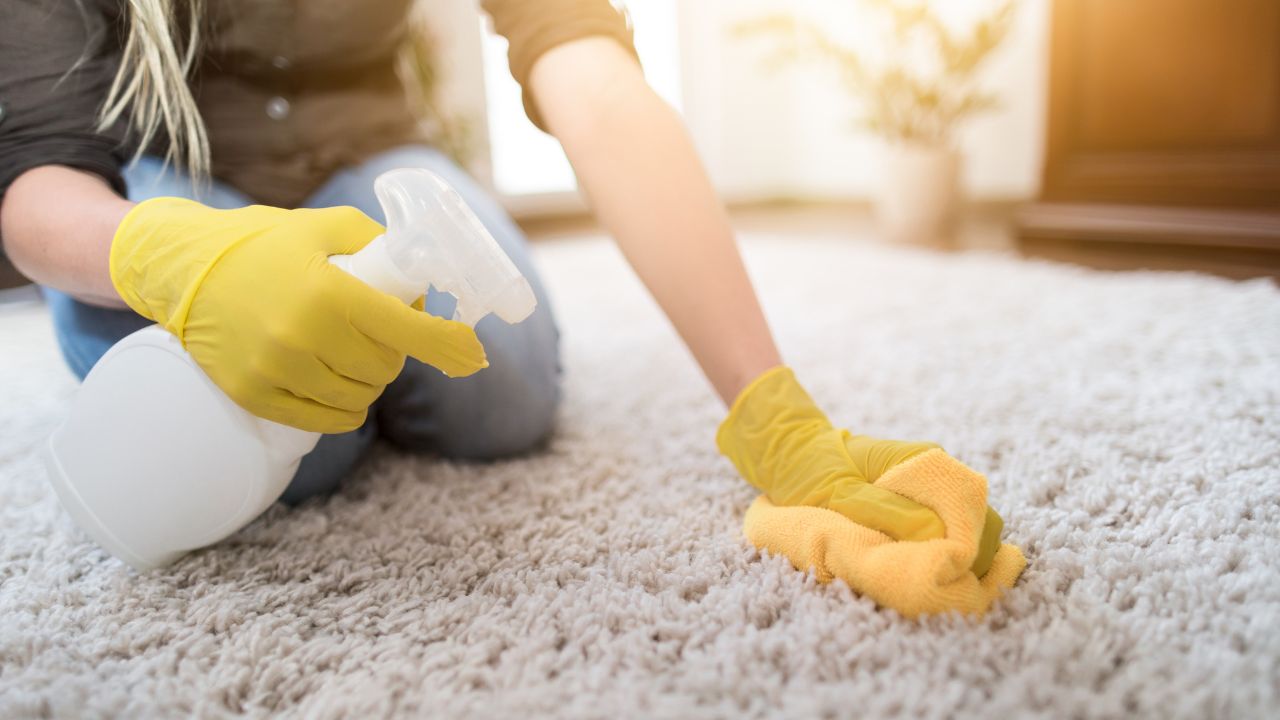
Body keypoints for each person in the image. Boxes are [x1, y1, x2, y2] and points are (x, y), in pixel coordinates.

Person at [0, 0, 1020, 614]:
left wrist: (772, 409)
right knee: (307, 452)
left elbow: (594, 80)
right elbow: (36, 176)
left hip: (365, 151)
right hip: (172, 172)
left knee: (501, 399)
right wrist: (166, 254)